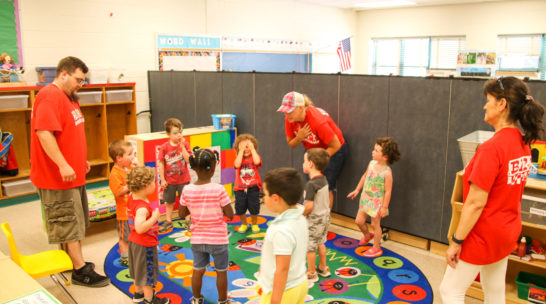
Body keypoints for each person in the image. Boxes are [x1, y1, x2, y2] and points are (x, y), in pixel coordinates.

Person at [439, 77, 545, 303]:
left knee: (450, 291)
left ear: (502, 104)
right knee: (494, 291)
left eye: (488, 100)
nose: (484, 105)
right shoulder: (523, 143)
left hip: (482, 235)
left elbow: (476, 203)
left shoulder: (492, 148)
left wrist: (457, 241)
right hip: (506, 231)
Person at [30, 56, 110, 287]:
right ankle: (79, 270)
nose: (80, 85)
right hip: (56, 178)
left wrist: (79, 160)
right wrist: (63, 164)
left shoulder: (69, 97)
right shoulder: (49, 96)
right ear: (63, 74)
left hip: (73, 175)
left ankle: (70, 259)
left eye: (83, 81)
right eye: (78, 80)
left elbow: (69, 133)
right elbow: (44, 133)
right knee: (68, 221)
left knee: (76, 220)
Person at [178, 148, 234, 304]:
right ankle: (223, 301)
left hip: (197, 239)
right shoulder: (219, 189)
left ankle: (196, 299)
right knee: (221, 272)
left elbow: (181, 214)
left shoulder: (187, 189)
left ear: (194, 168)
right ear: (214, 167)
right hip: (218, 240)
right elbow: (230, 214)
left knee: (198, 270)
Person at [277, 91, 347, 210]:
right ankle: (312, 214)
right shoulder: (290, 119)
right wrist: (299, 137)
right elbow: (291, 143)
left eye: (289, 111)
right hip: (312, 151)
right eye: (284, 111)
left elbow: (336, 145)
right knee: (312, 185)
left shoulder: (317, 122)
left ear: (300, 108)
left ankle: (324, 219)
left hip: (332, 151)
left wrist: (318, 161)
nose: (286, 114)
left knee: (325, 187)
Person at [258, 168, 309, 304]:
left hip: (284, 292)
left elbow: (282, 269)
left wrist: (275, 299)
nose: (264, 197)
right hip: (300, 282)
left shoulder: (281, 230)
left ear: (275, 198)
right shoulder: (300, 217)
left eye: (265, 194)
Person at [347, 137, 400, 258]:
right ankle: (367, 236)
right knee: (359, 221)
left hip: (376, 203)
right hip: (365, 199)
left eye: (376, 151)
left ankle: (376, 247)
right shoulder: (371, 164)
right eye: (374, 149)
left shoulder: (387, 173)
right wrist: (357, 189)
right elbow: (365, 176)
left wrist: (384, 207)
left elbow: (388, 191)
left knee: (376, 225)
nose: (372, 152)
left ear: (385, 156)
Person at [126, 166, 170, 304]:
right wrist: (155, 217)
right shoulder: (142, 208)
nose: (155, 185)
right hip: (144, 244)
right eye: (153, 182)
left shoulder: (131, 197)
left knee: (137, 269)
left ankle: (138, 293)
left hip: (134, 241)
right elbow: (140, 228)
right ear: (146, 186)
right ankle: (150, 299)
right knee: (147, 273)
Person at [302, 148, 332, 283]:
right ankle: (323, 267)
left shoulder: (311, 184)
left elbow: (308, 206)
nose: (303, 164)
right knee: (321, 242)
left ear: (310, 164)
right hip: (325, 218)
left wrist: (300, 214)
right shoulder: (323, 179)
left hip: (314, 220)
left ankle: (311, 271)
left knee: (310, 248)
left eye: (304, 161)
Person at [157, 118, 191, 232]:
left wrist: (182, 147)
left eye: (180, 132)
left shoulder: (185, 144)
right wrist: (162, 179)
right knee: (169, 202)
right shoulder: (164, 147)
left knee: (186, 201)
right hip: (169, 180)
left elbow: (188, 160)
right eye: (175, 133)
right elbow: (161, 163)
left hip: (184, 179)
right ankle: (168, 221)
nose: (178, 135)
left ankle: (188, 220)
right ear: (168, 134)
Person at [108, 139, 135, 267]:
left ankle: (135, 254)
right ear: (119, 158)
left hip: (134, 210)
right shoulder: (115, 174)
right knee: (125, 237)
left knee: (135, 234)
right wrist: (130, 185)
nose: (132, 156)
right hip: (123, 213)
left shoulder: (129, 167)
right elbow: (118, 191)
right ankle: (125, 258)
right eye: (129, 154)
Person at [233, 133, 262, 233]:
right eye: (242, 147)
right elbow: (237, 164)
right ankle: (244, 224)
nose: (246, 149)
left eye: (248, 146)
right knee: (240, 208)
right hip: (240, 188)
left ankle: (254, 224)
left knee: (254, 207)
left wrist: (253, 149)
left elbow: (257, 162)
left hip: (253, 187)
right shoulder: (238, 159)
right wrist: (240, 151)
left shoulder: (254, 157)